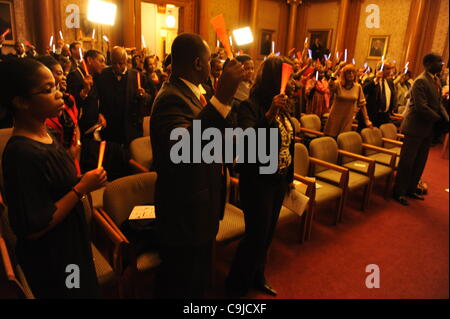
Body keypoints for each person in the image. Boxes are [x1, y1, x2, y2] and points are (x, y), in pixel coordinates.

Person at [0, 58, 107, 298]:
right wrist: (81, 188)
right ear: (21, 101)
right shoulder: (21, 154)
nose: (59, 94)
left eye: (57, 86)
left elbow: (53, 184)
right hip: (54, 257)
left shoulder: (46, 132)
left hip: (73, 246)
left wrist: (72, 160)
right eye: (48, 90)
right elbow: (34, 228)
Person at [150, 33, 244, 298]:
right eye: (209, 59)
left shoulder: (200, 93)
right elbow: (184, 150)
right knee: (182, 281)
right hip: (184, 208)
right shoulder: (170, 98)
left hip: (204, 202)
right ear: (197, 63)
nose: (214, 63)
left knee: (199, 277)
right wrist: (221, 99)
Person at [225, 56, 295, 298]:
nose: (292, 83)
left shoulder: (284, 106)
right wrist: (269, 115)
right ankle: (236, 287)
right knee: (255, 237)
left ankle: (258, 276)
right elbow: (246, 141)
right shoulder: (250, 107)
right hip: (257, 182)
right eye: (287, 78)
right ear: (273, 81)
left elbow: (288, 142)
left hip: (277, 180)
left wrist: (290, 177)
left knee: (267, 236)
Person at [393, 53, 449, 205]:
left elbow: (438, 104)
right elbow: (420, 107)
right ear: (429, 63)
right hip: (414, 127)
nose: (442, 64)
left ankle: (411, 189)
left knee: (420, 161)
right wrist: (439, 119)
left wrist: (446, 119)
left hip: (427, 127)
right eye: (439, 62)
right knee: (408, 161)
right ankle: (399, 192)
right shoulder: (420, 81)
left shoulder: (436, 80)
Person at [96, 46, 153, 147]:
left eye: (120, 63)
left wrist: (144, 95)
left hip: (130, 127)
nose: (117, 66)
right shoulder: (103, 75)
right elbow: (98, 97)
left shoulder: (137, 76)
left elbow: (150, 98)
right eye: (114, 63)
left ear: (126, 61)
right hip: (110, 128)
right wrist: (99, 113)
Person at [37, 55, 82, 175]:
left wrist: (77, 145)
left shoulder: (68, 99)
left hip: (72, 158)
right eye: (59, 73)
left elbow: (76, 126)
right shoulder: (39, 109)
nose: (63, 77)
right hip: (53, 165)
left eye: (63, 73)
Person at [324, 64, 372, 138]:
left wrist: (366, 120)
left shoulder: (358, 87)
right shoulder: (338, 84)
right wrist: (338, 69)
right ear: (344, 74)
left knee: (342, 139)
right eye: (348, 72)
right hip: (335, 117)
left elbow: (362, 105)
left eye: (353, 72)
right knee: (330, 140)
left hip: (347, 118)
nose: (351, 74)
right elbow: (330, 84)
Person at [358, 61, 396, 129]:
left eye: (390, 69)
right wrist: (377, 79)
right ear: (380, 69)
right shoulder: (370, 80)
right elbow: (364, 90)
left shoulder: (390, 82)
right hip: (371, 116)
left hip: (384, 117)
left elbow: (391, 98)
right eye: (387, 69)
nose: (390, 71)